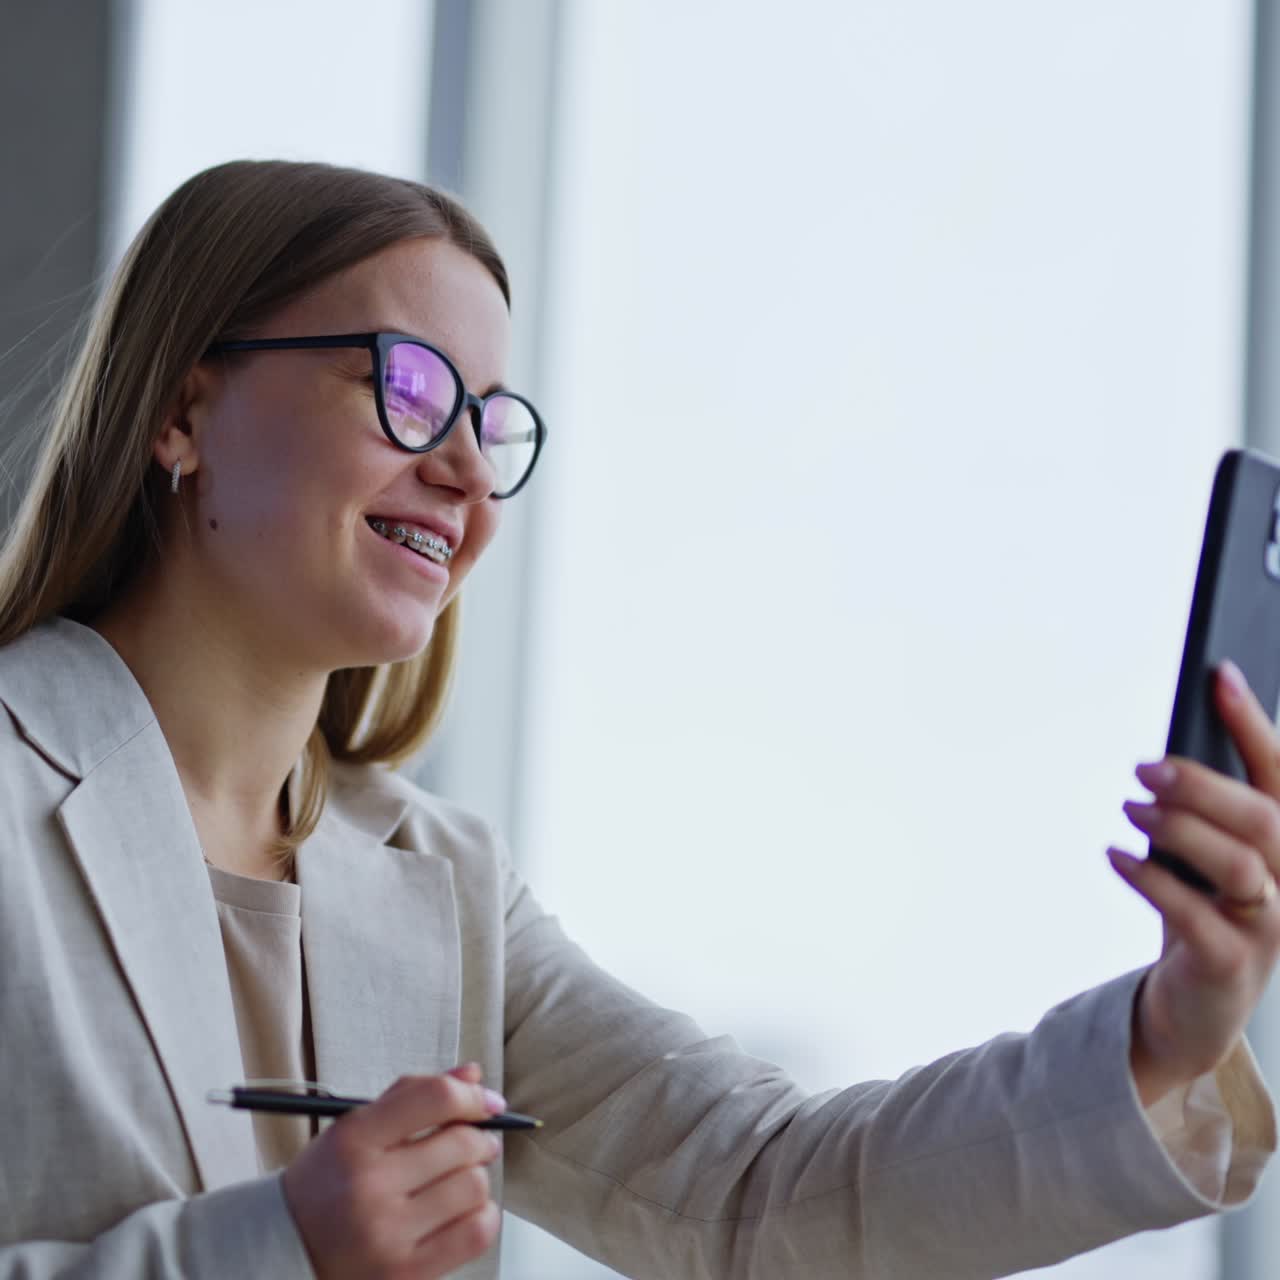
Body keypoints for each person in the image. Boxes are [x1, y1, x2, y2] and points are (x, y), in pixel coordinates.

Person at [0, 158, 1275, 1280]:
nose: (464, 468)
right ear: (182, 411)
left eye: (488, 422)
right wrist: (281, 1247)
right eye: (406, 385)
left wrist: (1164, 1033)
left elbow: (758, 1193)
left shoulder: (440, 882)